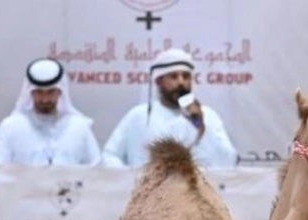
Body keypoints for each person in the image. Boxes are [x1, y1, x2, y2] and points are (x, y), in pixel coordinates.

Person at [102, 48, 238, 169]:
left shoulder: (207, 116)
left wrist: (200, 126)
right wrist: (132, 182)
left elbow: (228, 162)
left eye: (186, 76)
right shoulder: (138, 116)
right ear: (159, 82)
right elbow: (109, 156)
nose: (181, 82)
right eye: (174, 76)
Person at [0, 57, 101, 185]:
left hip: (68, 202)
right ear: (30, 92)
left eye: (51, 92)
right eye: (39, 92)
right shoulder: (11, 126)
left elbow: (97, 171)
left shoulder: (79, 127)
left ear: (60, 91)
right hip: (24, 203)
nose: (45, 99)